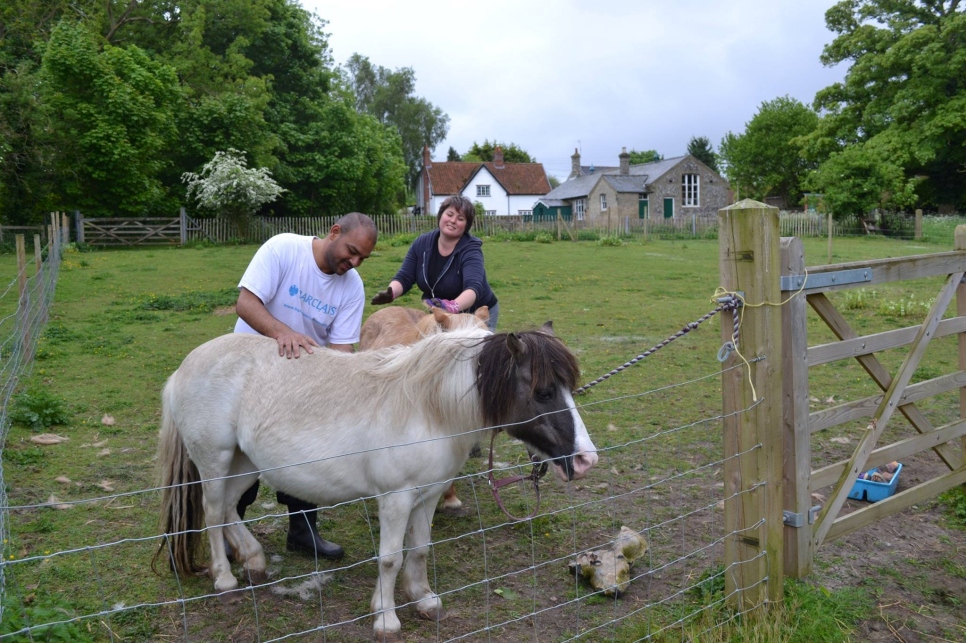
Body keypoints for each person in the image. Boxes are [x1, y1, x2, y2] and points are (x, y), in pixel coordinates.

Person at [233, 212, 378, 560]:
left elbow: (342, 351)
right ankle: (231, 525)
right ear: (334, 232)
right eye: (351, 250)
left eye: (362, 258)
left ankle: (302, 531)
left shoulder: (352, 286)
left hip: (306, 381)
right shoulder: (283, 249)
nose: (354, 262)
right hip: (252, 373)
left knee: (304, 454)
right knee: (243, 454)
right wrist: (283, 333)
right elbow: (245, 303)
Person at [370, 195, 498, 330]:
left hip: (474, 314)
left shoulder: (471, 250)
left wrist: (451, 306)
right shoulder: (422, 243)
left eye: (460, 219)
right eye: (449, 214)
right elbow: (405, 277)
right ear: (441, 215)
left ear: (466, 226)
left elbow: (473, 288)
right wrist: (391, 293)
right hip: (440, 313)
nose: (453, 221)